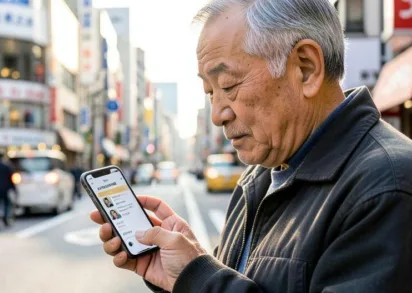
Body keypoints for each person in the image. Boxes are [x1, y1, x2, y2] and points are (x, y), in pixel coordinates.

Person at [90, 1, 412, 292]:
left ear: (306, 68)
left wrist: (198, 277)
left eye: (228, 86)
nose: (217, 114)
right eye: (210, 92)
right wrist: (188, 270)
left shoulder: (387, 187)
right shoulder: (259, 177)